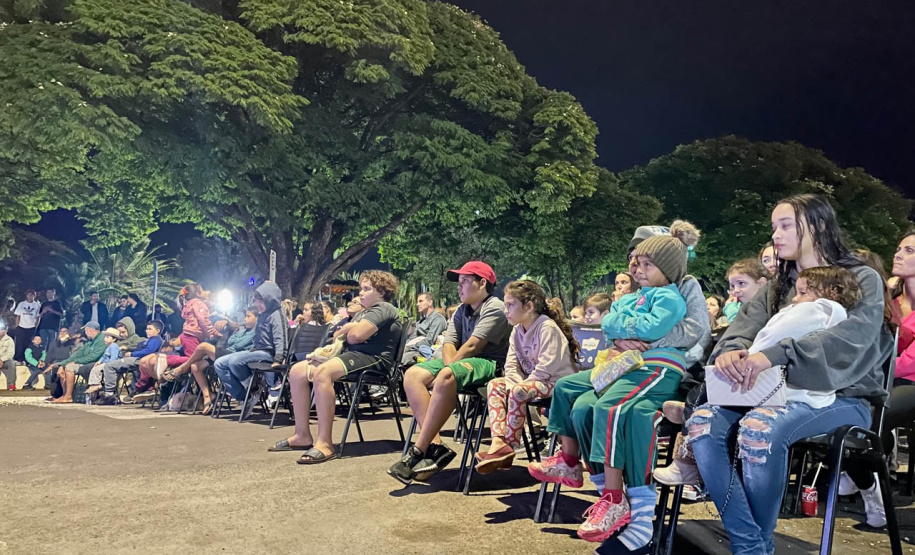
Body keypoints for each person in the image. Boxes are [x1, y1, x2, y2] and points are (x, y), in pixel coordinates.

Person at [686, 194, 891, 554]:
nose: (776, 235)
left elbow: (849, 343)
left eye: (785, 225)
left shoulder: (862, 278)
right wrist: (731, 351)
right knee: (703, 422)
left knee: (760, 428)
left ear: (819, 225)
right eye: (773, 227)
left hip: (846, 399)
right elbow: (740, 330)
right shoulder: (780, 285)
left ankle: (752, 547)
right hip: (768, 394)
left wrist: (775, 354)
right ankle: (751, 545)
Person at [528, 220, 699, 547]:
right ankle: (572, 465)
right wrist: (622, 328)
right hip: (626, 364)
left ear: (666, 265)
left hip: (658, 367)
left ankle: (621, 500)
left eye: (646, 262)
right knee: (572, 396)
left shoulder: (673, 294)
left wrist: (625, 327)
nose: (637, 266)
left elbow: (655, 330)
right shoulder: (639, 295)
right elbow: (609, 322)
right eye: (635, 260)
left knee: (616, 410)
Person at [658, 266, 862, 488]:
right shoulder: (829, 315)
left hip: (775, 386)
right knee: (705, 397)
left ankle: (689, 445)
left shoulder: (818, 309)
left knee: (707, 393)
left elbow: (773, 335)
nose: (795, 299)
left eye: (803, 293)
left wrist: (750, 357)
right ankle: (691, 434)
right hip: (779, 387)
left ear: (830, 292)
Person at [388, 261, 510, 484]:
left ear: (482, 283)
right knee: (413, 374)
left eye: (464, 281)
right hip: (461, 362)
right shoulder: (462, 310)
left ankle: (418, 451)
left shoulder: (495, 307)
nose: (459, 286)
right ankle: (436, 446)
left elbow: (474, 346)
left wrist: (448, 370)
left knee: (445, 375)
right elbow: (449, 342)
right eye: (459, 282)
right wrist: (449, 368)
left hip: (490, 363)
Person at [271, 271, 402, 464]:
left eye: (367, 289)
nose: (361, 294)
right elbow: (339, 333)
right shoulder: (366, 312)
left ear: (382, 291)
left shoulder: (383, 308)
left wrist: (349, 329)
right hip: (353, 355)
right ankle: (302, 435)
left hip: (374, 360)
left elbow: (355, 336)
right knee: (297, 371)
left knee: (323, 373)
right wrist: (349, 330)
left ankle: (325, 443)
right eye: (361, 289)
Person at [840, 236, 915, 527]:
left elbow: (908, 361)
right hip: (881, 378)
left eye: (909, 251)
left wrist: (874, 368)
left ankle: (870, 485)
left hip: (908, 381)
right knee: (848, 411)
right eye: (898, 248)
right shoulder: (888, 299)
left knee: (875, 417)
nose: (898, 254)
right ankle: (864, 479)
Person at [475, 280, 578, 473]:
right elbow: (511, 365)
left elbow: (546, 369)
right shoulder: (516, 330)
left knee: (518, 391)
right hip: (533, 383)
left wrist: (519, 387)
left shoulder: (547, 327)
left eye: (510, 305)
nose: (506, 310)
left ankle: (510, 446)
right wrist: (515, 383)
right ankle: (498, 442)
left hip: (557, 383)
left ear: (529, 306)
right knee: (495, 385)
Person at [213, 283, 286, 419]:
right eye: (256, 301)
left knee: (235, 361)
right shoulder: (263, 315)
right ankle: (245, 396)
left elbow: (281, 338)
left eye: (261, 301)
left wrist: (279, 357)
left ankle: (253, 389)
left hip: (269, 354)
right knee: (219, 364)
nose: (257, 304)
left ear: (270, 300)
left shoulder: (277, 315)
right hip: (256, 351)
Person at [168, 308, 258, 413]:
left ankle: (182, 368)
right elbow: (232, 341)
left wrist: (230, 327)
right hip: (227, 352)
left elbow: (238, 344)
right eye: (245, 316)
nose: (245, 319)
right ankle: (208, 395)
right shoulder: (244, 330)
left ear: (257, 318)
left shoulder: (256, 331)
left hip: (236, 356)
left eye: (248, 316)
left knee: (203, 346)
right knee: (195, 367)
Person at [97, 321, 165, 403]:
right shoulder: (150, 340)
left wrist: (132, 353)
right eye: (146, 329)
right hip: (137, 359)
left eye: (150, 329)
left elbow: (148, 351)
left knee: (110, 365)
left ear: (157, 331)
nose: (147, 331)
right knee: (111, 365)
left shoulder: (156, 339)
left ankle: (109, 394)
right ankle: (112, 392)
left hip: (139, 359)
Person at [48, 322, 107, 403]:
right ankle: (64, 395)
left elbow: (94, 357)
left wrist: (75, 362)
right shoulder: (90, 342)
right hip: (85, 362)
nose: (85, 333)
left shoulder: (101, 340)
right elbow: (77, 354)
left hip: (96, 363)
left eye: (85, 330)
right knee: (64, 368)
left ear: (90, 330)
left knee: (69, 368)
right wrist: (62, 364)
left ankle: (68, 396)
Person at [401, 292, 448, 365]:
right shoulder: (421, 322)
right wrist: (403, 347)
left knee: (404, 358)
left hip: (425, 351)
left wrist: (407, 348)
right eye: (417, 302)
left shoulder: (438, 319)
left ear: (430, 302)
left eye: (421, 301)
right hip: (413, 348)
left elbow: (430, 341)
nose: (417, 304)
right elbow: (412, 337)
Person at [721, 258, 769, 323]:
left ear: (761, 283)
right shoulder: (741, 308)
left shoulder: (769, 309)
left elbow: (744, 330)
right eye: (732, 286)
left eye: (741, 283)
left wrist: (733, 315)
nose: (736, 290)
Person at [84, 328, 122, 396]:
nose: (105, 338)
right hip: (106, 363)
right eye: (105, 337)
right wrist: (100, 361)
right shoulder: (108, 347)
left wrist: (107, 364)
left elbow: (114, 358)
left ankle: (96, 384)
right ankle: (93, 384)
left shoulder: (114, 346)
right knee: (95, 368)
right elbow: (104, 357)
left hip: (111, 364)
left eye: (107, 337)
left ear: (114, 339)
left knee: (97, 369)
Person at [13, 289, 41, 361]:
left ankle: (27, 359)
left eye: (32, 295)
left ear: (34, 296)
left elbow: (38, 317)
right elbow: (18, 315)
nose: (30, 296)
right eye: (29, 295)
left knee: (28, 344)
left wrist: (35, 326)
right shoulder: (21, 304)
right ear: (26, 295)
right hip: (21, 326)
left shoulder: (37, 305)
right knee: (19, 344)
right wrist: (17, 326)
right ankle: (18, 359)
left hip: (31, 327)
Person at [0, 322, 16, 390]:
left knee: (12, 363)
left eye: (1, 329)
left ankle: (11, 384)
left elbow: (10, 353)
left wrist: (1, 360)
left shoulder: (9, 340)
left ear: (5, 331)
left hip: (5, 361)